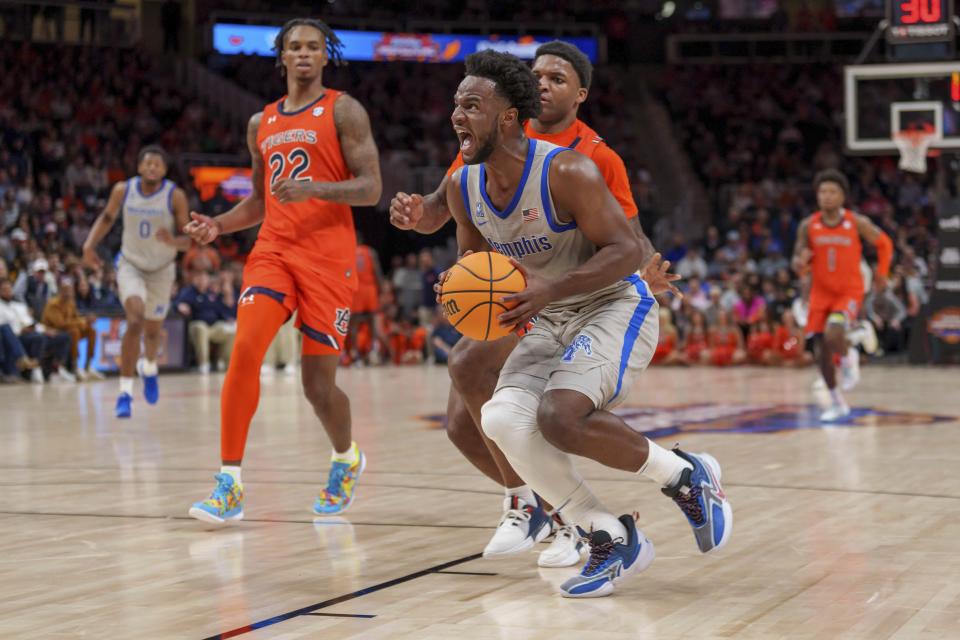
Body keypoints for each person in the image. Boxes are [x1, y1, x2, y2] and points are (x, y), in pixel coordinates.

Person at [444, 50, 731, 598]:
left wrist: (549, 288)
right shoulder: (463, 186)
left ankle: (685, 476)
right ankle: (607, 534)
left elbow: (626, 249)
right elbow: (475, 264)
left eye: (471, 105)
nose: (458, 115)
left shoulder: (568, 169)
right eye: (457, 104)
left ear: (507, 117)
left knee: (559, 416)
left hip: (613, 305)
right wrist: (456, 288)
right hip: (549, 315)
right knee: (501, 418)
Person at [390, 41, 680, 568]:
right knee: (464, 424)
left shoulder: (590, 158)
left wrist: (646, 267)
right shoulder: (479, 147)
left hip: (571, 296)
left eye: (557, 78)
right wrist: (419, 221)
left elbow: (627, 235)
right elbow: (449, 213)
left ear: (580, 95)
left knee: (479, 371)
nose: (544, 84)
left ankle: (550, 511)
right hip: (518, 293)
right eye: (537, 75)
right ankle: (539, 503)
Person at [183, 18, 382, 523]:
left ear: (324, 56)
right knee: (245, 350)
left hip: (328, 258)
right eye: (295, 46)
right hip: (272, 253)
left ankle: (346, 457)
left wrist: (316, 188)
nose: (303, 54)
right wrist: (217, 226)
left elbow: (371, 188)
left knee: (317, 387)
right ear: (282, 57)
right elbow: (258, 201)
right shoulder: (261, 123)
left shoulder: (344, 110)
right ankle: (229, 484)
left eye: (313, 47)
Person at [82, 145, 191, 418]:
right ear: (139, 167)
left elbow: (189, 240)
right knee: (134, 321)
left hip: (162, 269)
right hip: (131, 264)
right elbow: (107, 218)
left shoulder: (175, 196)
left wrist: (173, 241)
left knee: (153, 332)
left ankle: (150, 368)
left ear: (165, 170)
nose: (152, 167)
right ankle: (125, 393)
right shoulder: (123, 190)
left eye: (158, 164)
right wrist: (89, 245)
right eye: (148, 163)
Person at [792, 170, 892, 421]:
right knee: (821, 353)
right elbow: (797, 263)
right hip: (820, 293)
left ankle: (849, 355)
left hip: (848, 291)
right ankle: (837, 403)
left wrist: (882, 273)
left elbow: (885, 244)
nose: (827, 196)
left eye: (832, 192)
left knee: (833, 331)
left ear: (843, 196)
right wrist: (800, 263)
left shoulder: (856, 222)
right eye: (823, 192)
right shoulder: (808, 226)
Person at [40, 277, 102, 381]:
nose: (68, 292)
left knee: (91, 330)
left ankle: (88, 366)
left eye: (70, 289)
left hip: (68, 330)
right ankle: (75, 367)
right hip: (54, 332)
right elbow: (60, 324)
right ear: (60, 290)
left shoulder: (70, 303)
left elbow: (76, 318)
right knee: (74, 332)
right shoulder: (53, 304)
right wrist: (82, 321)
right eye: (65, 290)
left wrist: (86, 322)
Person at [175, 270, 236, 373]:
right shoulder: (188, 292)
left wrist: (227, 319)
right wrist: (180, 306)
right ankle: (204, 364)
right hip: (195, 326)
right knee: (200, 327)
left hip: (213, 327)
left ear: (208, 280)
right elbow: (177, 303)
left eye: (204, 278)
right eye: (199, 277)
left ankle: (223, 362)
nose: (202, 280)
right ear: (194, 279)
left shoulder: (211, 294)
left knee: (231, 330)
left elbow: (221, 309)